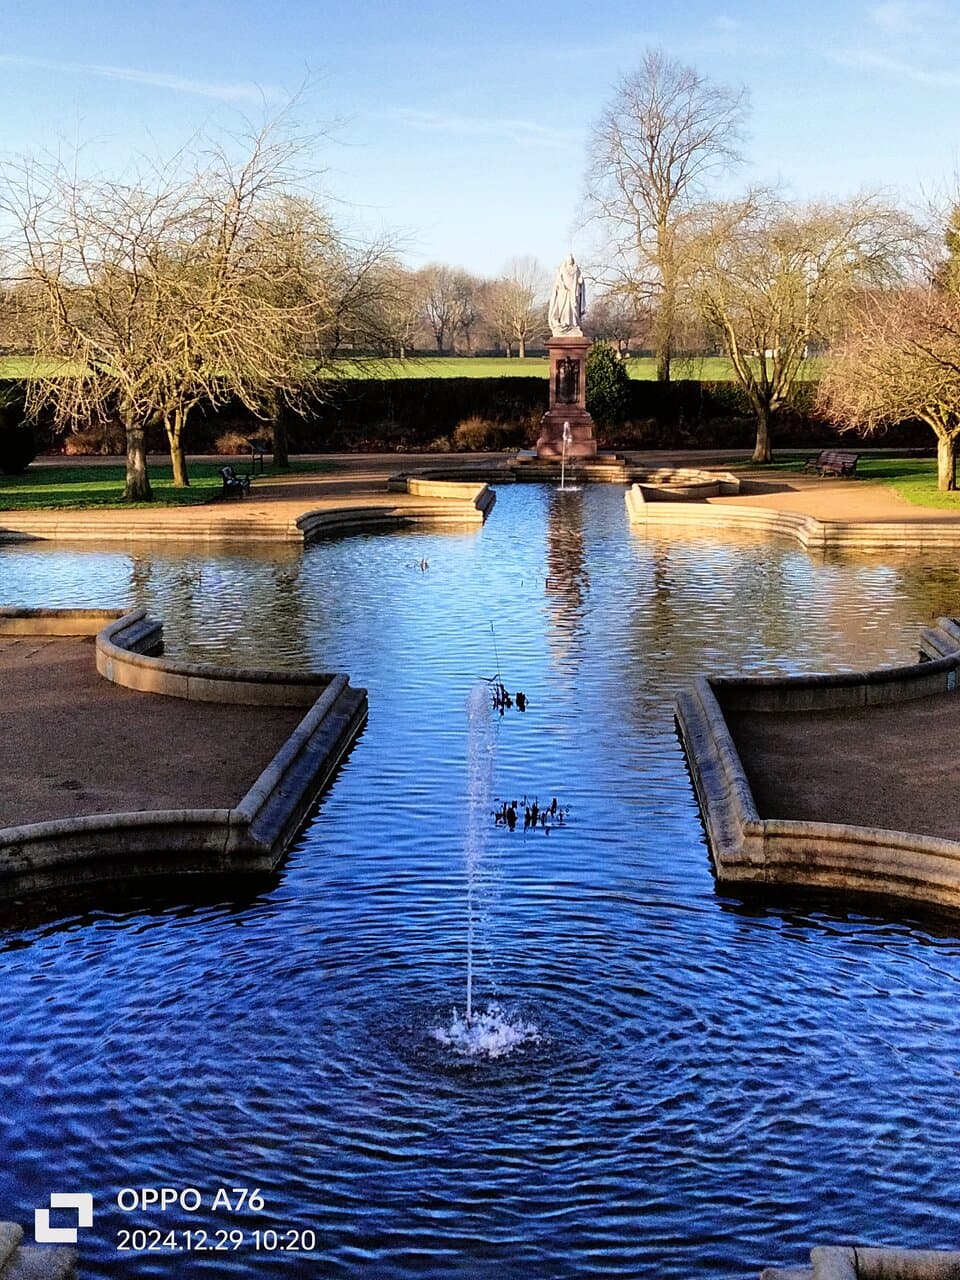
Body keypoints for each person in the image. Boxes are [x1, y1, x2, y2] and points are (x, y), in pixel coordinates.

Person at [548, 254, 585, 336]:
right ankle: (565, 324)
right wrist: (561, 286)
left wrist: (580, 281)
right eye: (569, 259)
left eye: (571, 259)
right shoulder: (562, 269)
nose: (570, 260)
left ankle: (574, 324)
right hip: (563, 294)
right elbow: (558, 282)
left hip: (574, 294)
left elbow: (580, 281)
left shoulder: (576, 269)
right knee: (564, 310)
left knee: (574, 310)